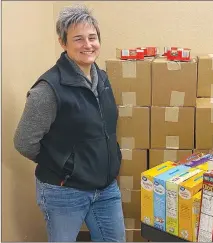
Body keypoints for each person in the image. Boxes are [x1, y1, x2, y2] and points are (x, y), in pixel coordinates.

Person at [14, 5, 125, 242]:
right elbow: (24, 142)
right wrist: (67, 167)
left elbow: (106, 128)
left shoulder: (102, 78)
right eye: (78, 39)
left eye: (92, 37)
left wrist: (112, 159)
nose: (88, 45)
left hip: (105, 189)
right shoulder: (48, 89)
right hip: (64, 191)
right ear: (63, 43)